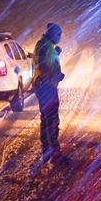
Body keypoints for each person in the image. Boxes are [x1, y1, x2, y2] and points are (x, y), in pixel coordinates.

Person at [33, 23, 66, 163]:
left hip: (43, 87)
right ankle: (55, 155)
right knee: (52, 121)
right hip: (47, 87)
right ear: (52, 34)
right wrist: (56, 76)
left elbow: (44, 62)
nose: (60, 37)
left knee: (46, 120)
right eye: (59, 35)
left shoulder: (44, 44)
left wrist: (55, 54)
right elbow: (44, 67)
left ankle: (46, 152)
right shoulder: (46, 47)